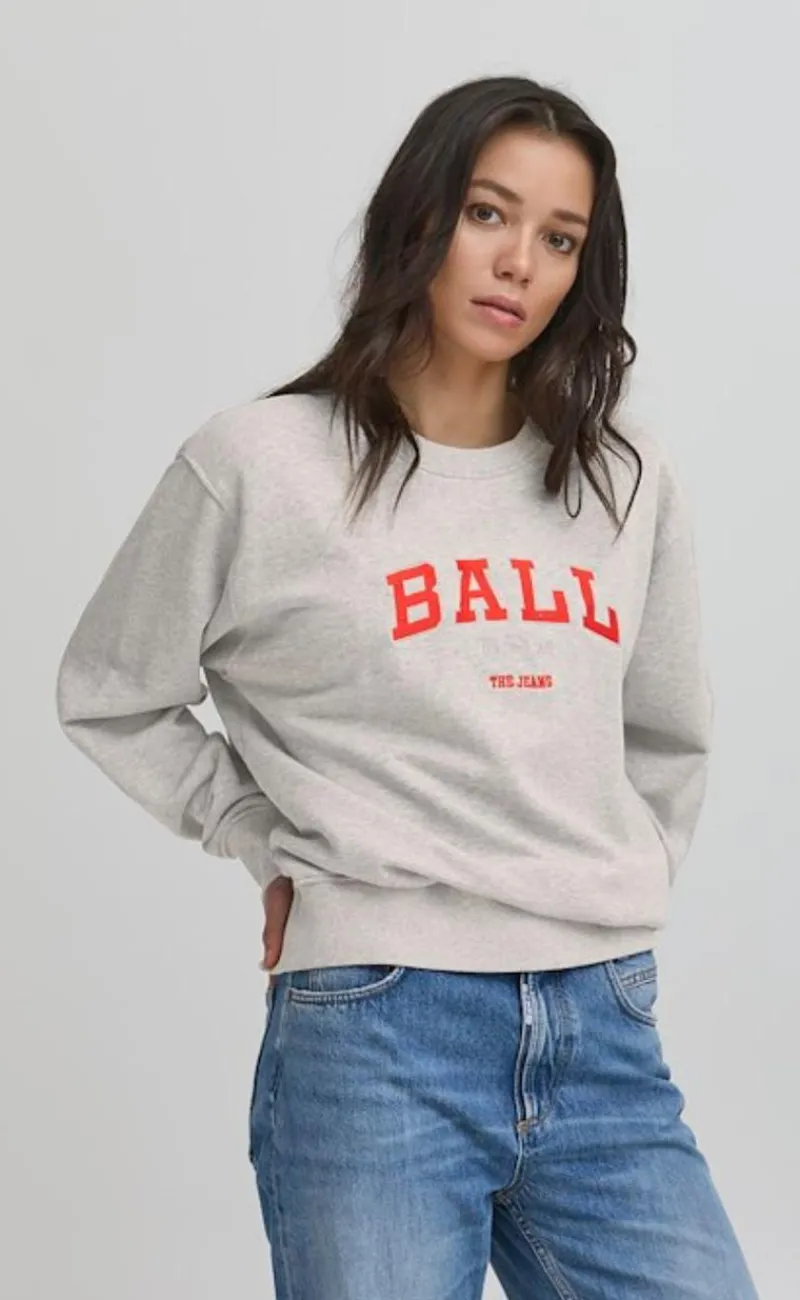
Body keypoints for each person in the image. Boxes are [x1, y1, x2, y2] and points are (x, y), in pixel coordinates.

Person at [55, 74, 760, 1299]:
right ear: (419, 216)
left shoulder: (623, 476)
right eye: (488, 213)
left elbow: (665, 731)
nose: (518, 264)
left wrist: (609, 882)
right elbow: (110, 690)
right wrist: (261, 836)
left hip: (601, 1024)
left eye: (559, 239)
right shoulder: (259, 465)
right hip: (377, 1028)